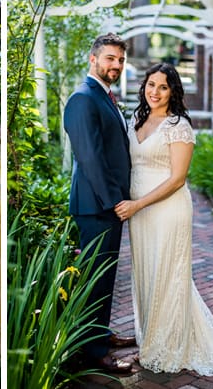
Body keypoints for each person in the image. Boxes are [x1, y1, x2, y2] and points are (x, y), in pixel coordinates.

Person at [113, 63, 213, 375]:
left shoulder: (178, 126)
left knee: (167, 274)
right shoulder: (138, 118)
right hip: (140, 211)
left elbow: (177, 179)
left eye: (163, 87)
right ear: (144, 86)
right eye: (151, 84)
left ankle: (168, 345)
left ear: (173, 91)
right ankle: (150, 338)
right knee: (147, 274)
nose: (155, 92)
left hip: (166, 209)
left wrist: (137, 206)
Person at [63, 32, 136, 373]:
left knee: (104, 276)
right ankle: (94, 353)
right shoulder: (82, 98)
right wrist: (115, 203)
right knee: (95, 278)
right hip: (96, 207)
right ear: (93, 59)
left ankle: (100, 334)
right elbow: (90, 158)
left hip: (105, 206)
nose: (116, 65)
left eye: (120, 60)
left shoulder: (104, 96)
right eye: (110, 58)